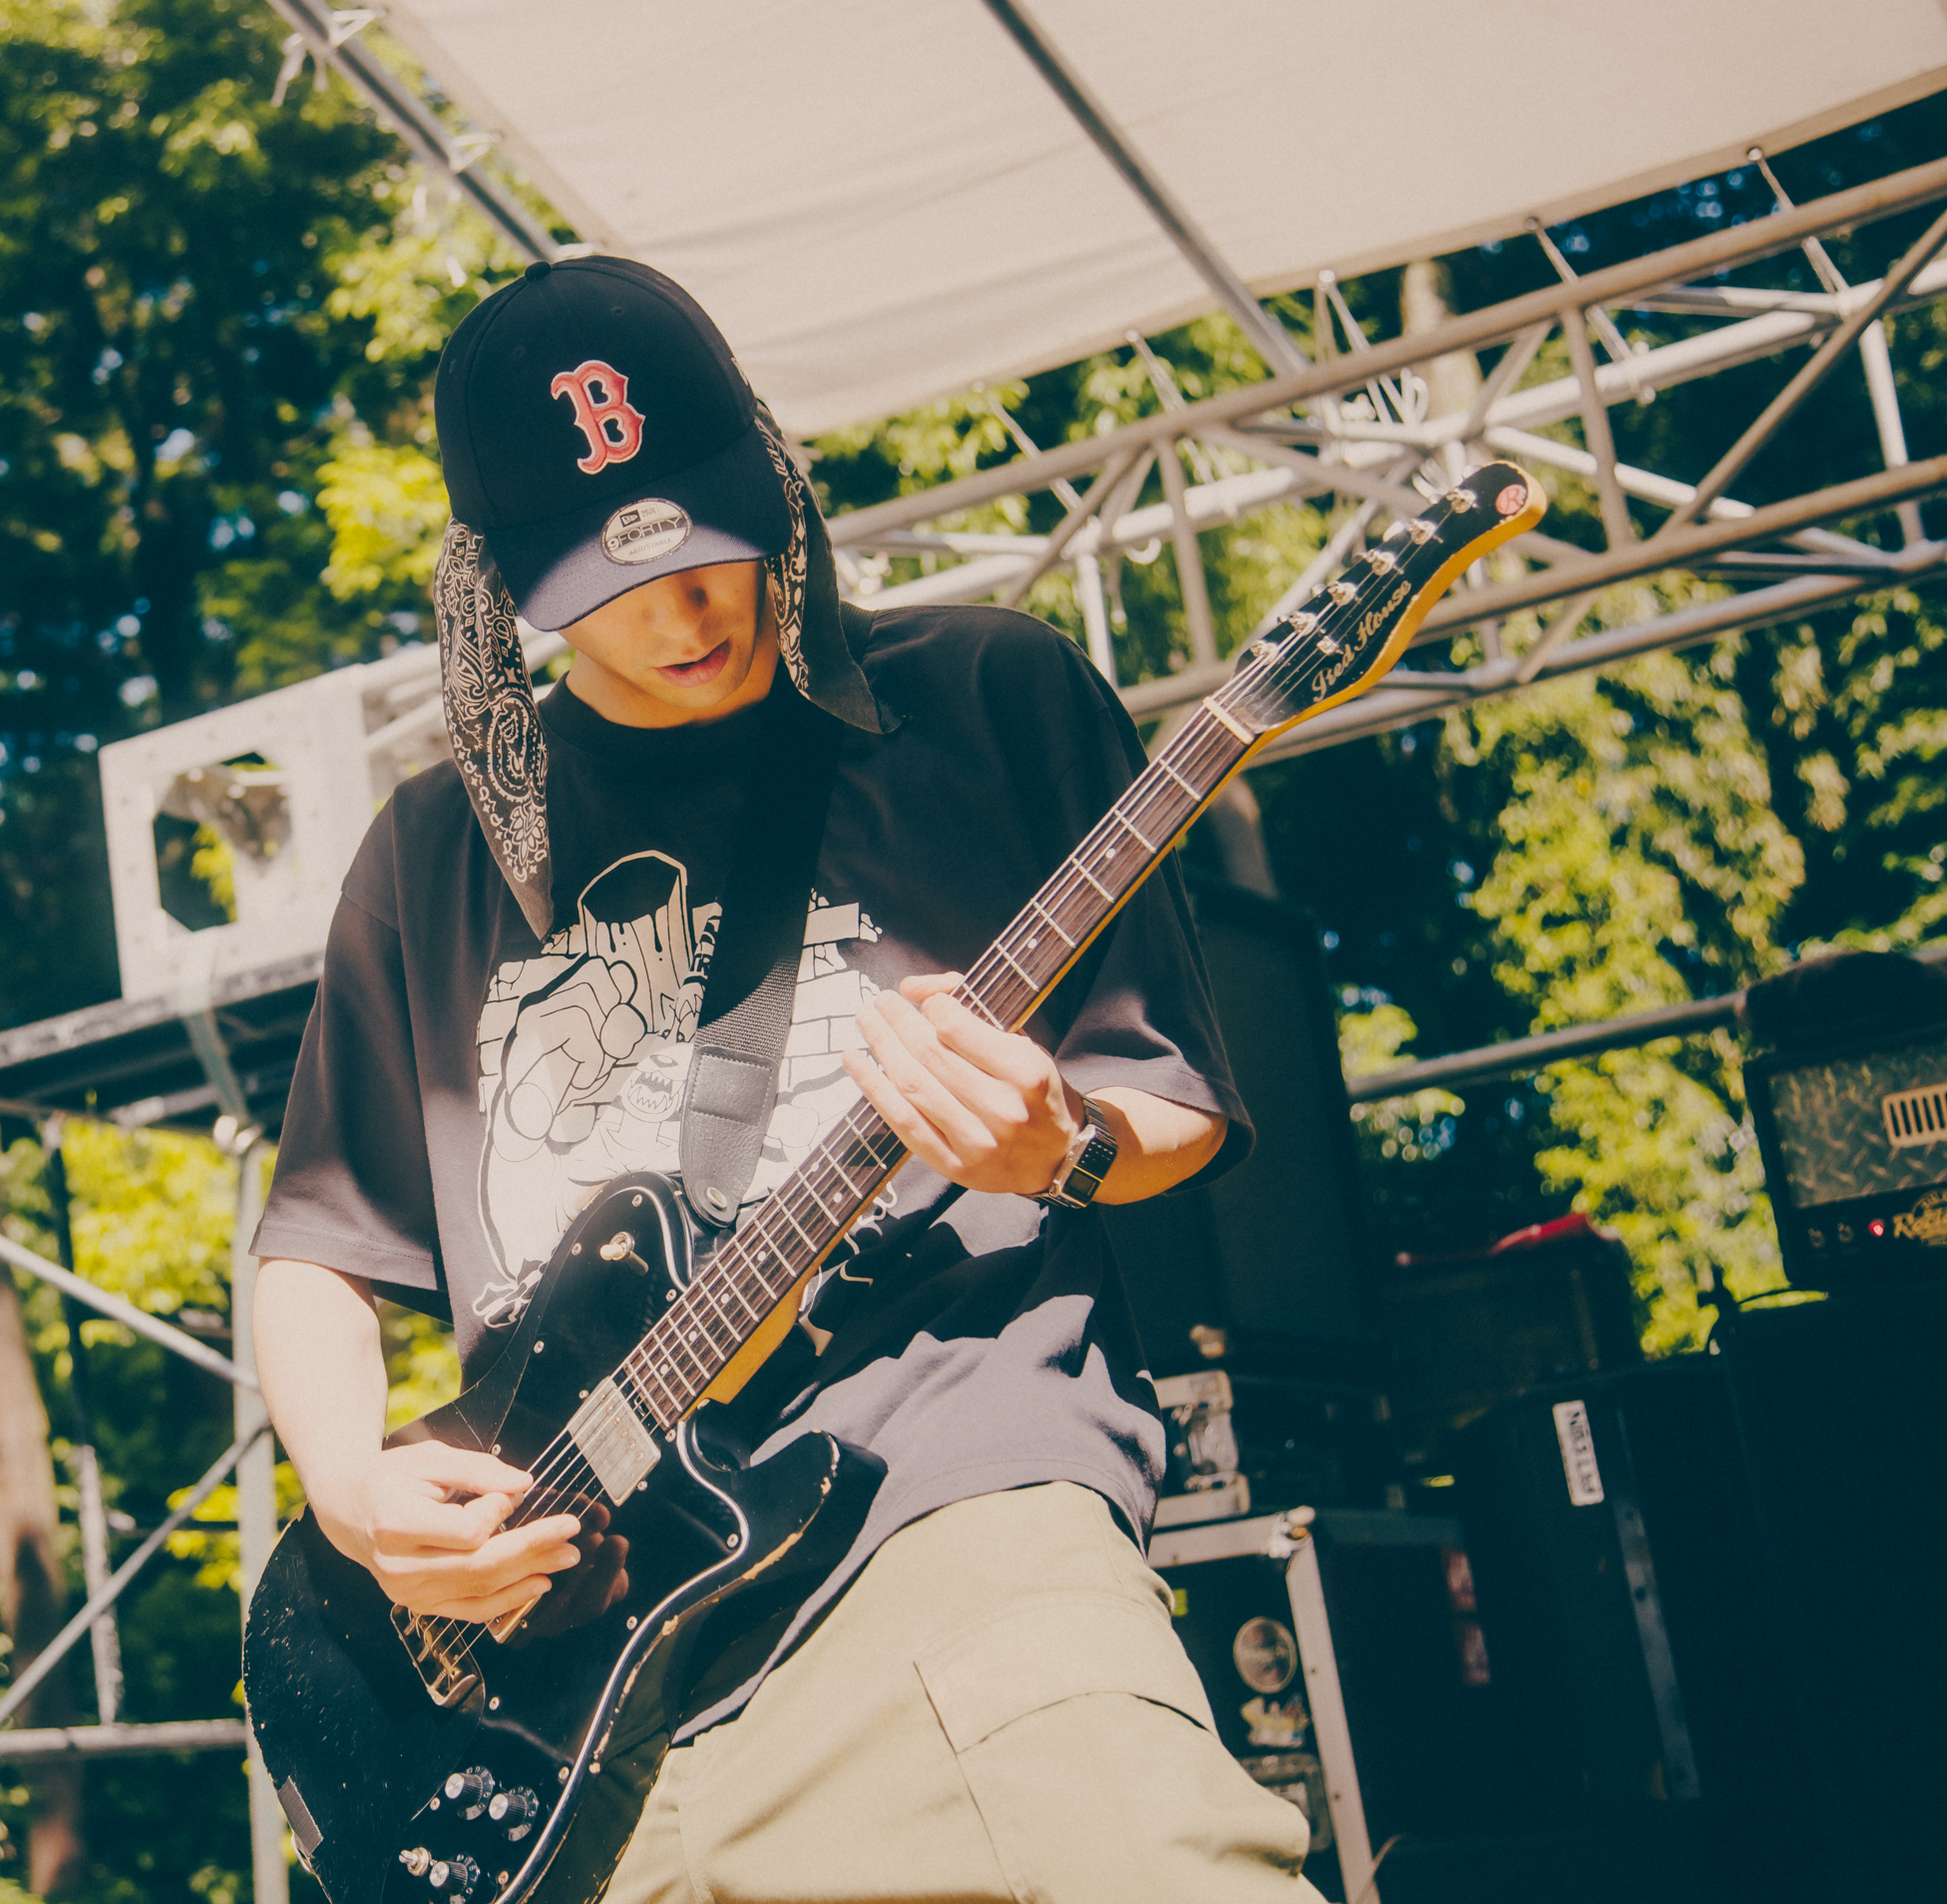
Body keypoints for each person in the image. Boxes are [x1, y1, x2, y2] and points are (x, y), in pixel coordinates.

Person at [250, 255, 1319, 1901]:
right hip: (558, 1704)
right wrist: (352, 1493)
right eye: (616, 579)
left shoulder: (984, 694)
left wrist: (1063, 1143)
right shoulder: (429, 853)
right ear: (493, 587)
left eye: (712, 542)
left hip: (948, 1530)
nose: (690, 613)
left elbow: (1168, 1090)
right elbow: (317, 1249)